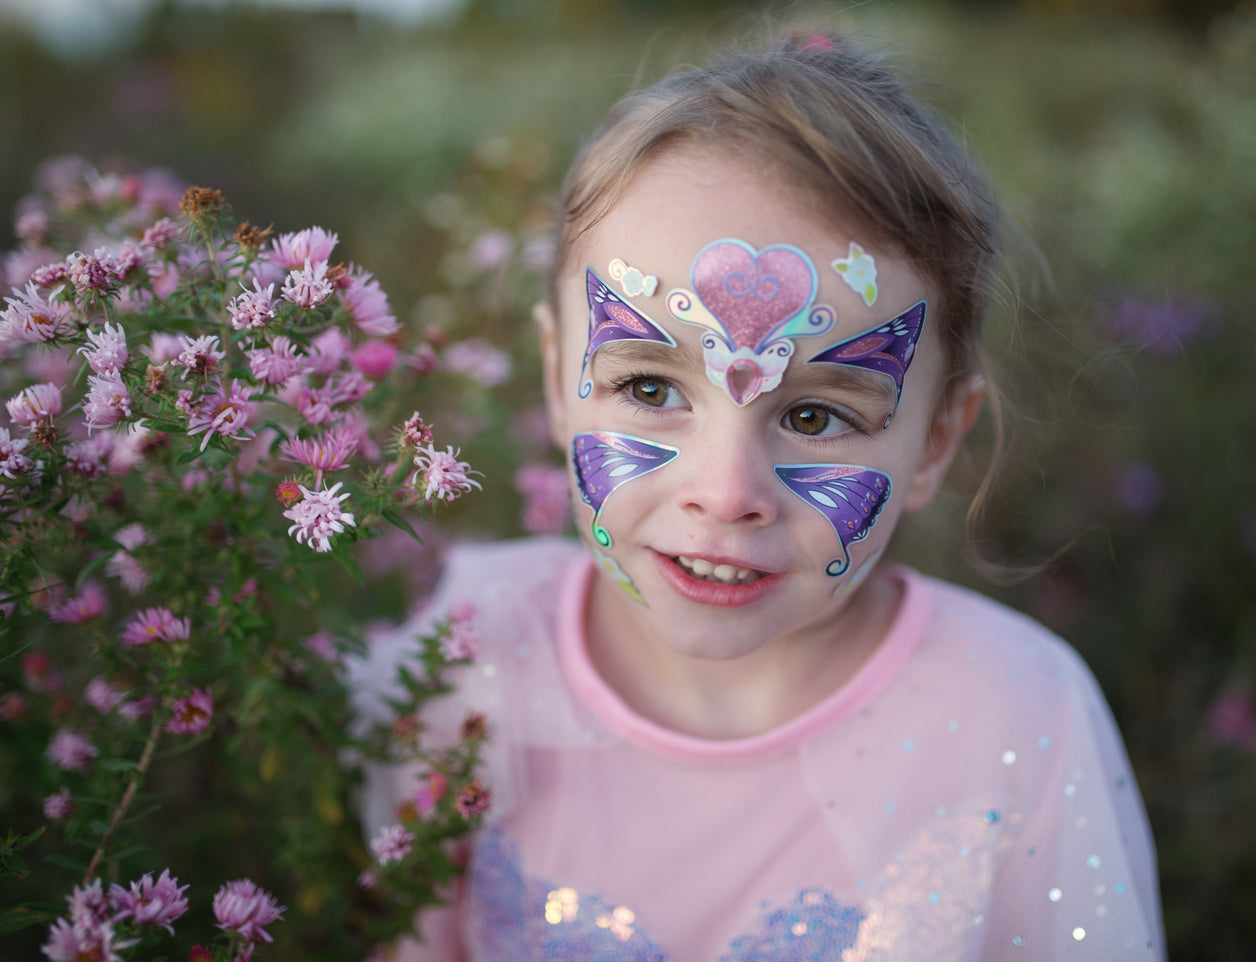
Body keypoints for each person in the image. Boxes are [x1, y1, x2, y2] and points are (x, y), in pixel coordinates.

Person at [352, 27, 1165, 961]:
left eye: (817, 418)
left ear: (937, 439)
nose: (726, 493)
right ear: (554, 375)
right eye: (650, 390)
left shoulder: (1018, 720)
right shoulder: (454, 661)